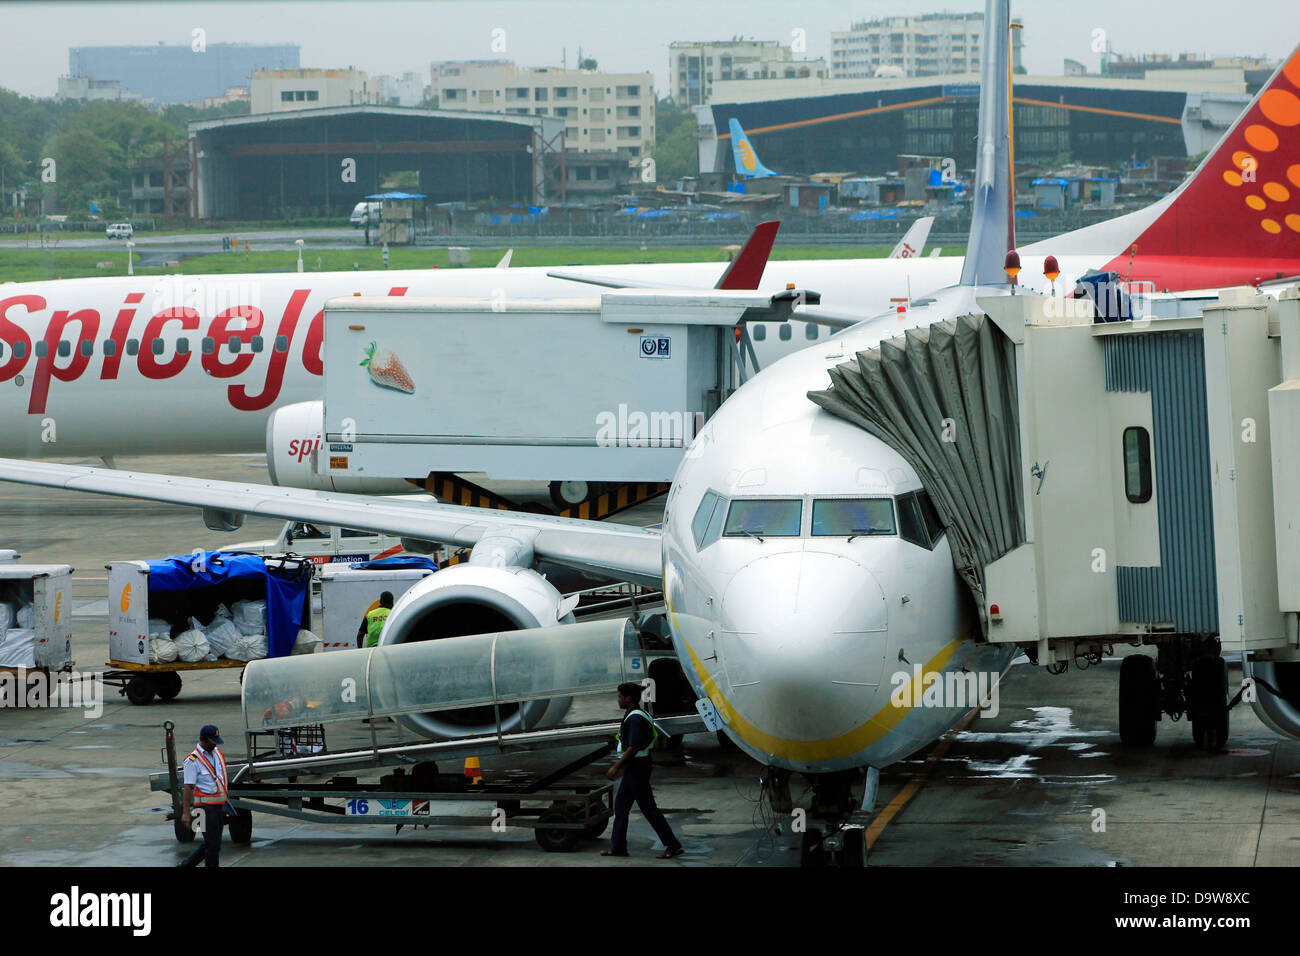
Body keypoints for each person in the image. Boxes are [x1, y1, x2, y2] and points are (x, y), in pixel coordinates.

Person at [601, 682, 684, 859]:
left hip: (637, 768)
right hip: (637, 766)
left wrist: (616, 767)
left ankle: (673, 844)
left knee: (648, 809)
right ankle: (618, 847)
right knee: (622, 807)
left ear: (628, 699)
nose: (618, 700)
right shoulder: (639, 713)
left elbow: (633, 747)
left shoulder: (635, 719)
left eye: (620, 697)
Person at [179, 725, 228, 868]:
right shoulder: (192, 760)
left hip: (218, 807)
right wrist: (186, 813)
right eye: (213, 742)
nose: (215, 745)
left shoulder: (216, 753)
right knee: (213, 847)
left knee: (212, 844)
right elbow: (188, 787)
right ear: (204, 741)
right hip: (204, 809)